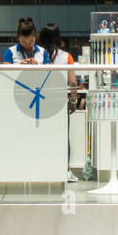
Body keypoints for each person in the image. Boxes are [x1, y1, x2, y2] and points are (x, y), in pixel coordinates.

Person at [41, 22, 78, 182]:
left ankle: (45, 168)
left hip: (40, 102)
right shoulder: (66, 56)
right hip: (60, 102)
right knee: (63, 136)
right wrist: (73, 101)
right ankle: (65, 170)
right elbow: (73, 82)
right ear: (58, 38)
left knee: (42, 135)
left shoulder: (37, 55)